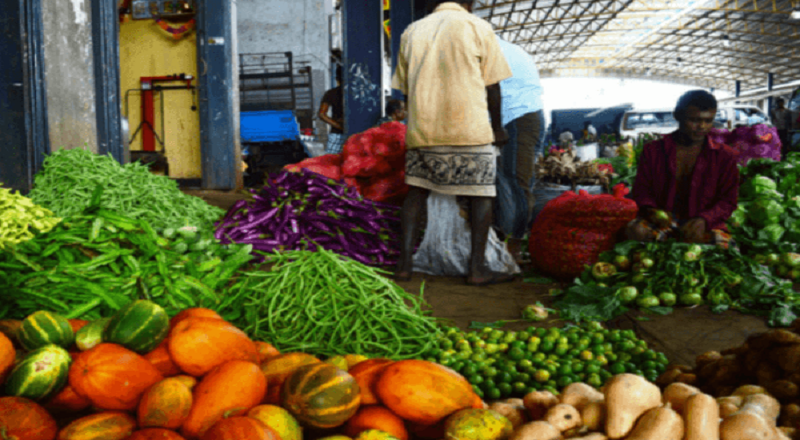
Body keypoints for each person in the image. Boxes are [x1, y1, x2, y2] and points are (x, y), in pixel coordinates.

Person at [391, 0, 513, 285]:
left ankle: (404, 265)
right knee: (481, 195)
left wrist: (417, 121)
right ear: (468, 2)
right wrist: (497, 127)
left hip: (424, 130)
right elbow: (492, 85)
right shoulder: (478, 27)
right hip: (468, 129)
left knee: (416, 192)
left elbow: (406, 89)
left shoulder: (412, 31)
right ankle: (477, 269)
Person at [625, 90, 739, 247]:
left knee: (728, 248)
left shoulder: (725, 155)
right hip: (664, 223)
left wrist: (704, 220)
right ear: (677, 115)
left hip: (702, 225)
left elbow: (728, 201)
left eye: (708, 120)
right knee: (635, 231)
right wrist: (651, 211)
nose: (702, 127)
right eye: (694, 120)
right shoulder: (653, 151)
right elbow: (642, 190)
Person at [494, 37, 545, 261]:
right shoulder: (506, 48)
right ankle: (507, 242)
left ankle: (513, 248)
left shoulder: (490, 49)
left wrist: (495, 128)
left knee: (517, 184)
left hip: (516, 118)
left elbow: (490, 87)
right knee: (511, 183)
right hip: (523, 117)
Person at [319, 66, 345, 154]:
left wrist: (337, 125)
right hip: (357, 133)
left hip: (336, 134)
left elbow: (321, 114)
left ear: (337, 79)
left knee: (331, 162)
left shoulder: (331, 93)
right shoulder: (359, 92)